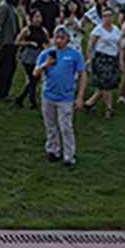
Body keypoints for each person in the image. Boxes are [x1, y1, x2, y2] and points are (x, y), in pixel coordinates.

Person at [34, 26, 87, 166]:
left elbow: (82, 75)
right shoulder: (46, 54)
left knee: (66, 127)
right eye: (57, 37)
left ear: (68, 39)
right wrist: (45, 64)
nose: (59, 41)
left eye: (62, 38)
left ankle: (69, 156)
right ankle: (53, 151)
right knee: (50, 126)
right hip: (48, 95)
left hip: (66, 97)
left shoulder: (75, 55)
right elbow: (35, 73)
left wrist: (80, 96)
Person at [84, 7, 122, 117]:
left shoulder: (116, 29)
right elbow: (90, 44)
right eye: (105, 16)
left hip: (113, 58)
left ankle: (89, 103)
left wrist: (120, 59)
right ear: (102, 17)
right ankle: (109, 108)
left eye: (110, 15)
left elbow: (119, 45)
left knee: (106, 85)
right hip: (102, 58)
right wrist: (89, 57)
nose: (108, 18)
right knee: (106, 85)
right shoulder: (98, 30)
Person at [0, 0, 20, 101]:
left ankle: (3, 91)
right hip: (5, 42)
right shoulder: (4, 7)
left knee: (10, 67)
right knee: (4, 68)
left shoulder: (12, 7)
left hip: (12, 42)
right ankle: (0, 92)